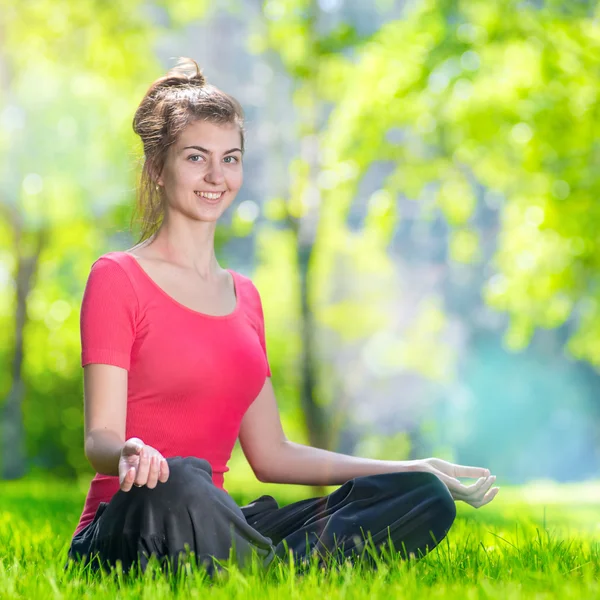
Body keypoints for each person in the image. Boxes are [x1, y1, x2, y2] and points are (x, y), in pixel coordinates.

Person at [67, 57, 499, 574]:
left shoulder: (244, 297)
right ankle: (279, 565)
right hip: (131, 522)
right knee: (182, 480)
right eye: (195, 158)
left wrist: (410, 464)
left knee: (421, 495)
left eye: (230, 159)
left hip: (220, 522)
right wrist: (130, 455)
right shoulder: (117, 277)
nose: (215, 176)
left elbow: (270, 454)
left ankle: (258, 562)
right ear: (158, 169)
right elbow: (100, 441)